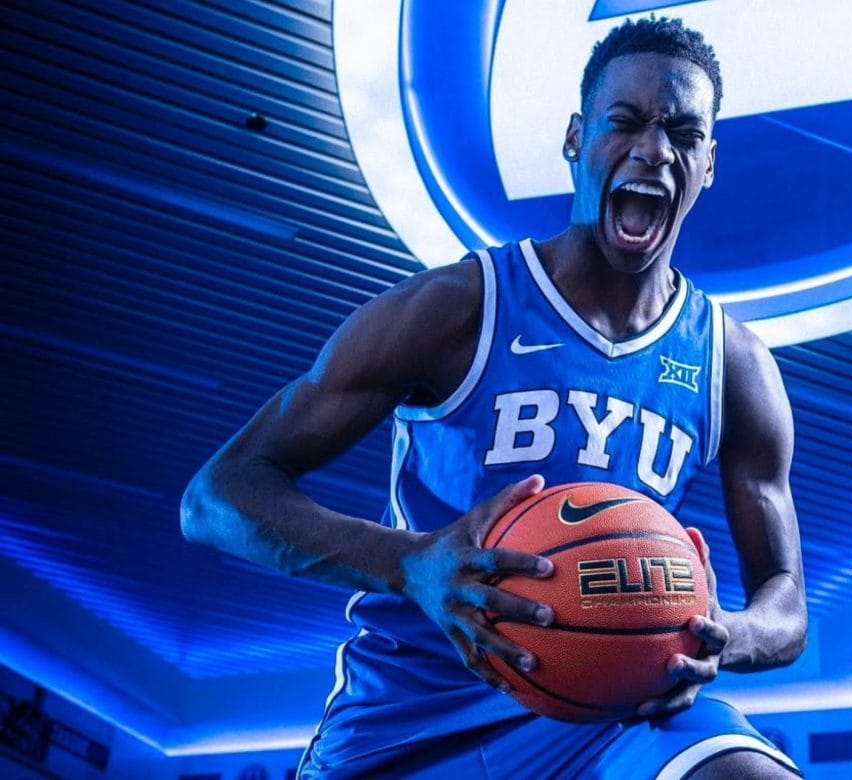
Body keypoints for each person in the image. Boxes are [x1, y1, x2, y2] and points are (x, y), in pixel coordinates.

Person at [182, 17, 807, 779]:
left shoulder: (733, 363)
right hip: (412, 715)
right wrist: (411, 564)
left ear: (708, 163)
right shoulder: (459, 308)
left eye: (684, 132)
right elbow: (217, 496)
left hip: (614, 713)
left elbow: (786, 604)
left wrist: (724, 635)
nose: (654, 149)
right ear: (576, 138)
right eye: (626, 121)